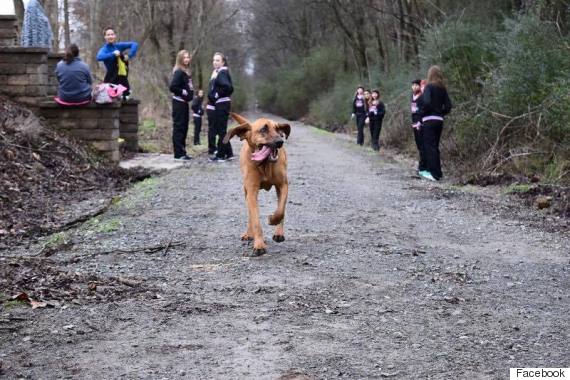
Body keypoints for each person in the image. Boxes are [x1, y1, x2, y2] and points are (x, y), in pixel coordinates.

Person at [418, 66, 452, 181]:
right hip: (439, 120)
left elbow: (426, 102)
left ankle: (434, 174)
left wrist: (422, 112)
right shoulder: (443, 88)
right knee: (435, 146)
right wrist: (440, 113)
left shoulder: (429, 86)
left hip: (429, 120)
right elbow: (448, 106)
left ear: (430, 75)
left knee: (429, 146)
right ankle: (438, 173)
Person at [96, 27, 138, 99]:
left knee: (123, 100)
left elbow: (134, 44)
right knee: (109, 100)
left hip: (122, 78)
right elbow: (99, 57)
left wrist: (129, 55)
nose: (110, 36)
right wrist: (113, 54)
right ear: (105, 37)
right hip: (111, 79)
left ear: (115, 36)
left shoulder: (119, 46)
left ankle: (125, 92)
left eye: (112, 34)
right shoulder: (104, 49)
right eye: (108, 35)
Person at [208, 52, 234, 162]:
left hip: (222, 103)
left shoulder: (222, 72)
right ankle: (228, 153)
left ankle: (221, 155)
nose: (215, 62)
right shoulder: (217, 72)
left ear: (223, 62)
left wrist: (216, 95)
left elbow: (228, 87)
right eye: (214, 60)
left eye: (218, 60)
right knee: (221, 130)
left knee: (221, 130)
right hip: (221, 103)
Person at [169, 50, 194, 161]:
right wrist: (183, 92)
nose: (187, 59)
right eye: (184, 58)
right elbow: (173, 87)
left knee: (184, 127)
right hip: (178, 103)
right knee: (179, 127)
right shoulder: (179, 71)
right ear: (180, 59)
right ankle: (178, 154)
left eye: (188, 57)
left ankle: (182, 152)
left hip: (184, 104)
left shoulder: (186, 72)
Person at [411, 79, 426, 174]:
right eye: (413, 85)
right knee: (418, 145)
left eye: (416, 85)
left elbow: (423, 110)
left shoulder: (423, 96)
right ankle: (421, 165)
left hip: (421, 123)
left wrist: (420, 122)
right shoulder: (412, 96)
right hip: (414, 122)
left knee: (422, 145)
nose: (414, 87)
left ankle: (423, 166)